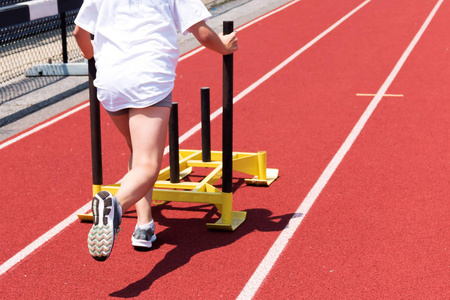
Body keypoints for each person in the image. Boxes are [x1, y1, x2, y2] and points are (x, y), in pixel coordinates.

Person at [74, 0, 238, 261]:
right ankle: (115, 206)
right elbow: (202, 32)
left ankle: (144, 225)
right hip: (148, 78)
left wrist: (93, 56)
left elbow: (79, 34)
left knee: (137, 154)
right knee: (149, 165)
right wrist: (225, 46)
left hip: (110, 81)